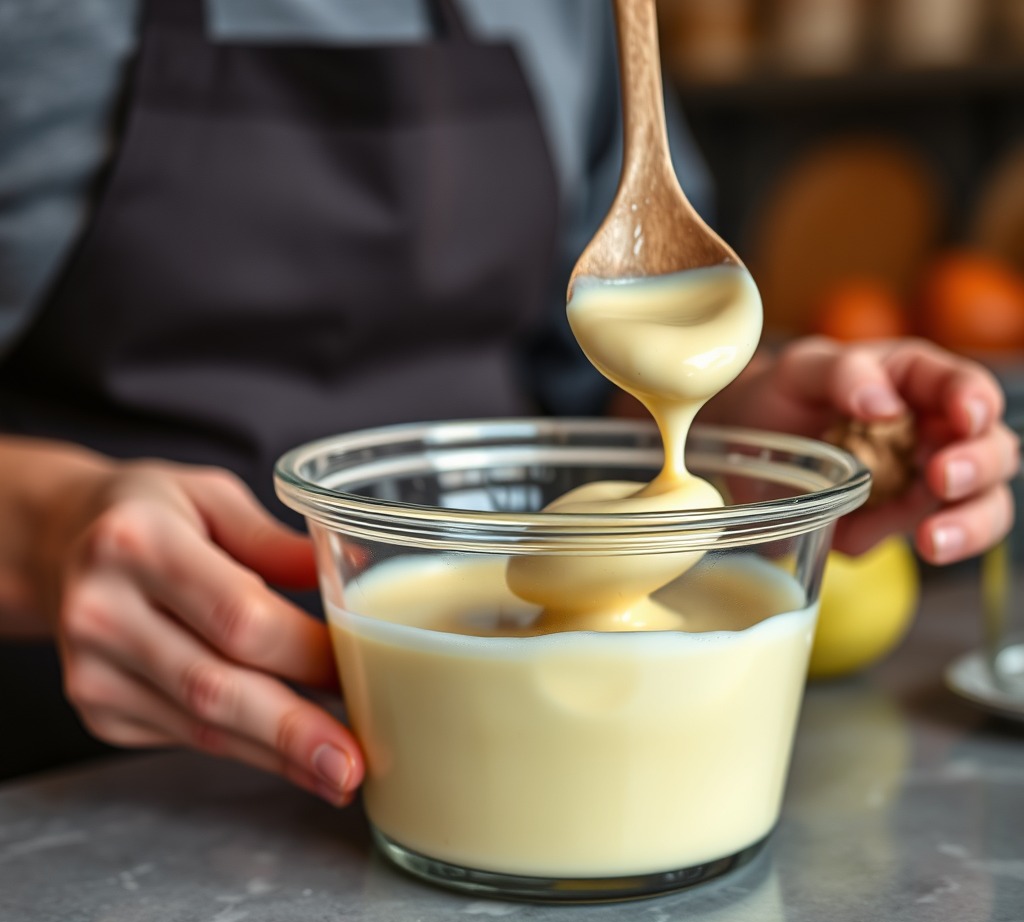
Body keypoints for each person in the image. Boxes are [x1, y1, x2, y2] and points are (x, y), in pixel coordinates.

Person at [0, 0, 1016, 799]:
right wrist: (44, 537)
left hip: (540, 757)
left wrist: (733, 435)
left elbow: (585, 379)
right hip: (90, 787)